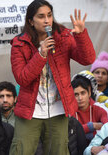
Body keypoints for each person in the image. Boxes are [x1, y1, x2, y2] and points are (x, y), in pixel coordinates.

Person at [9, 0, 96, 154]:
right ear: (31, 21)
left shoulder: (63, 36)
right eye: (41, 16)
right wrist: (41, 54)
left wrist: (81, 35)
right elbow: (22, 78)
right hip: (30, 110)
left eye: (49, 15)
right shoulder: (20, 43)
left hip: (58, 109)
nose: (47, 20)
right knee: (21, 150)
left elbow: (88, 59)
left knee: (59, 151)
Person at [72, 76, 108, 143]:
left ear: (89, 93)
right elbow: (69, 132)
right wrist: (92, 126)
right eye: (76, 94)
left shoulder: (100, 108)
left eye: (83, 93)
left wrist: (87, 133)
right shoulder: (69, 111)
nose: (80, 98)